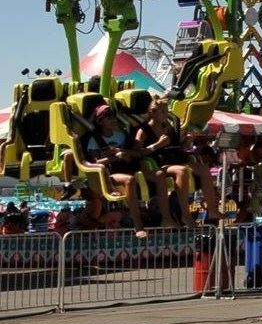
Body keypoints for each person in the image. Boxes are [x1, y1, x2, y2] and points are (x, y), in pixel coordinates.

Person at [63, 104, 157, 236]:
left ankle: (139, 220)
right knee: (129, 180)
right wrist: (114, 157)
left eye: (113, 117)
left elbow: (131, 155)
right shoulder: (92, 140)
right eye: (108, 118)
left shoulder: (121, 136)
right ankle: (138, 225)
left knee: (134, 177)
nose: (112, 120)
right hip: (101, 175)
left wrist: (123, 153)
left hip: (119, 170)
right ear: (99, 121)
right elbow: (94, 163)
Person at [138, 95, 221, 225]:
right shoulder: (144, 130)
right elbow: (137, 152)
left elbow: (179, 148)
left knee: (203, 169)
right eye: (162, 112)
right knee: (181, 171)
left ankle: (212, 210)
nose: (166, 115)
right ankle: (185, 214)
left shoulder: (168, 127)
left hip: (174, 158)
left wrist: (188, 141)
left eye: (167, 111)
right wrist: (157, 145)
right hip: (157, 163)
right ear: (152, 113)